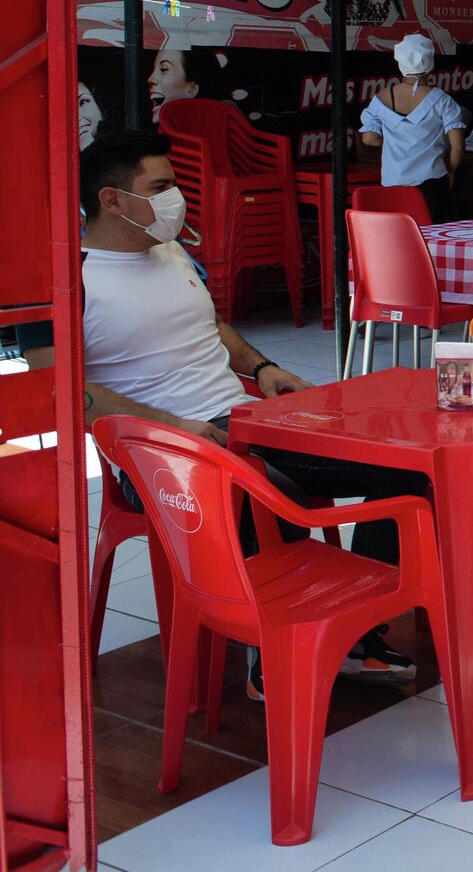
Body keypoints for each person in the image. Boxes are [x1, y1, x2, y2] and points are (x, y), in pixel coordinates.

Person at [19, 130, 423, 694]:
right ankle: (273, 654)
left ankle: (356, 627)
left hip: (242, 422)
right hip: (156, 453)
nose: (176, 196)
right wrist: (174, 430)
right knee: (270, 492)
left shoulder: (171, 250)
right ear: (110, 199)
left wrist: (261, 369)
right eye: (160, 186)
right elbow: (58, 388)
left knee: (405, 468)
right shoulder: (61, 278)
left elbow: (210, 325)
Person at [359, 34, 466, 223]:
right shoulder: (442, 100)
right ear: (430, 63)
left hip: (393, 182)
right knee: (431, 237)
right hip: (432, 181)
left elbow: (368, 139)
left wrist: (392, 142)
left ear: (400, 62)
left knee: (397, 235)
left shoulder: (381, 99)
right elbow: (458, 146)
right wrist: (451, 171)